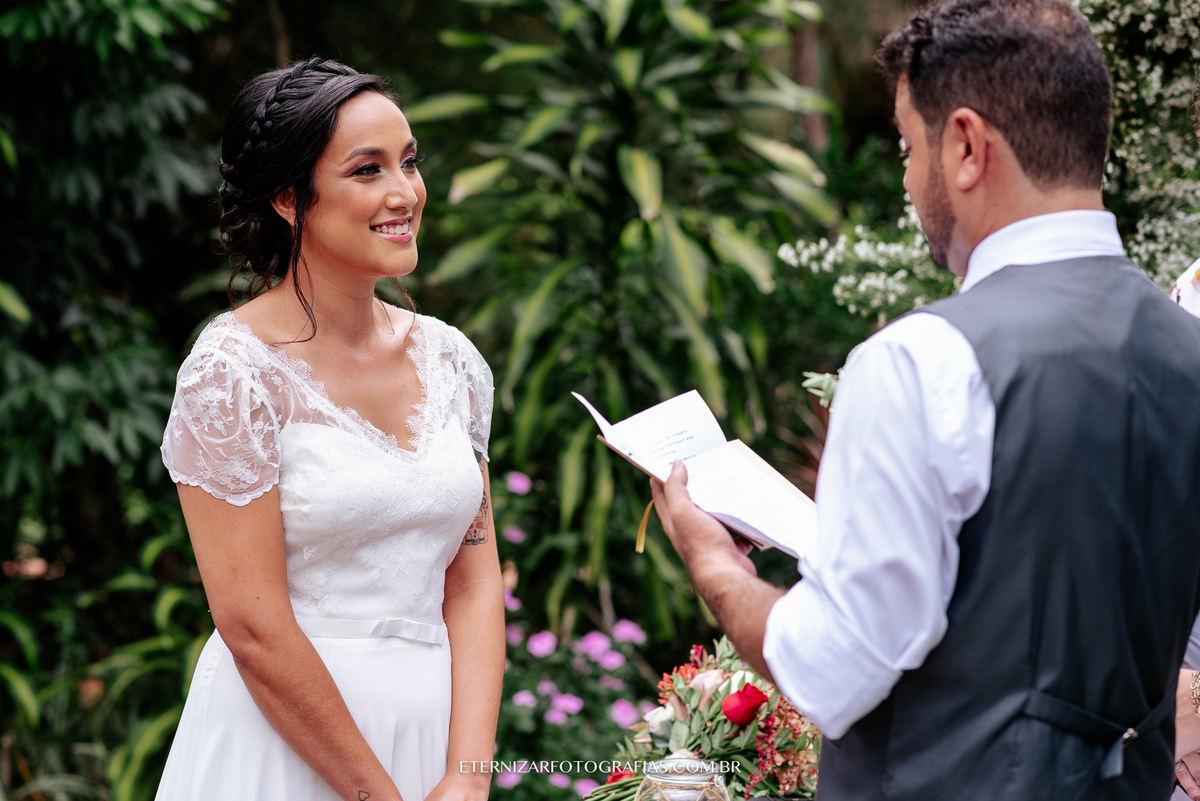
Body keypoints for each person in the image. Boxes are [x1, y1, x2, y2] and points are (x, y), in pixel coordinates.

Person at [650, 1, 1200, 799]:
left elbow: (832, 670)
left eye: (909, 147)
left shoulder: (922, 359)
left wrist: (711, 559)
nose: (909, 181)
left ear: (968, 147)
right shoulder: (1187, 348)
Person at [156, 58, 504, 801]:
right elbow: (252, 624)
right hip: (285, 750)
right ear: (289, 198)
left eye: (409, 162)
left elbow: (473, 582)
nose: (404, 192)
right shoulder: (232, 373)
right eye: (367, 170)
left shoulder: (453, 362)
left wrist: (468, 776)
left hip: (432, 744)